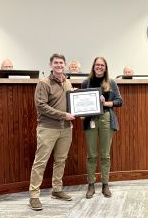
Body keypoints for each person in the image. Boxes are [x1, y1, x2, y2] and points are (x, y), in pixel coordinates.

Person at [29, 53, 75, 211]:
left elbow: (70, 103)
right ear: (50, 65)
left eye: (61, 63)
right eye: (56, 63)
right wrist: (63, 115)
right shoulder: (44, 82)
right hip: (48, 128)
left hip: (66, 128)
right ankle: (34, 196)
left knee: (60, 160)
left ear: (65, 65)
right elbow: (41, 105)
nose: (59, 65)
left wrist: (79, 112)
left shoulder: (68, 82)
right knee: (40, 162)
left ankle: (57, 190)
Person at [81, 57, 122, 199]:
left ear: (105, 67)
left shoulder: (111, 82)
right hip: (90, 119)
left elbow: (119, 101)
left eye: (102, 65)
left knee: (105, 155)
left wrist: (106, 103)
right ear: (93, 67)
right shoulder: (86, 82)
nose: (99, 67)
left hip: (106, 118)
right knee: (91, 155)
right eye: (97, 65)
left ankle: (105, 184)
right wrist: (81, 112)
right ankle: (91, 184)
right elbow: (82, 102)